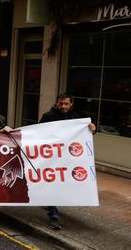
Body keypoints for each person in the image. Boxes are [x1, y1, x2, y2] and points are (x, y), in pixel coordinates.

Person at [39, 93, 96, 230]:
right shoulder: (48, 116)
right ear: (57, 103)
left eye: (66, 103)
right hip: (53, 157)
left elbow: (89, 131)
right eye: (61, 103)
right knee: (52, 182)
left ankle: (53, 205)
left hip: (70, 158)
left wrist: (93, 129)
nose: (63, 106)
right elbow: (39, 133)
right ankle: (53, 214)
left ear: (71, 104)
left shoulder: (79, 118)